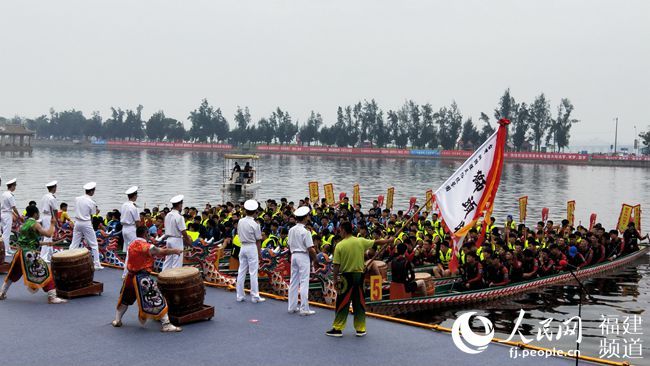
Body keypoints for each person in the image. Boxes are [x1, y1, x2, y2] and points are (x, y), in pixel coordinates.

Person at [325, 221, 393, 337]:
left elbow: (336, 265)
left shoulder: (340, 245)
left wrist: (335, 279)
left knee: (342, 302)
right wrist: (389, 241)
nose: (339, 232)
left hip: (346, 277)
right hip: (359, 276)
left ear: (344, 230)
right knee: (359, 302)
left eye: (340, 230)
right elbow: (377, 242)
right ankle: (360, 329)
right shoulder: (360, 241)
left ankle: (338, 328)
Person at [112, 226, 182, 332]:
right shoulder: (147, 246)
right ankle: (166, 324)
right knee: (157, 300)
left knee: (125, 299)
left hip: (130, 277)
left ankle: (117, 320)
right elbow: (161, 252)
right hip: (142, 279)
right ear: (146, 234)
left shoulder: (131, 244)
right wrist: (175, 251)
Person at [0, 205, 67, 304]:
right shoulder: (35, 224)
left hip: (20, 253)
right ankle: (52, 297)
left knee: (13, 274)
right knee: (45, 272)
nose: (39, 214)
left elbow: (29, 242)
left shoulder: (24, 224)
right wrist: (52, 224)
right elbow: (48, 234)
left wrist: (45, 243)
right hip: (29, 255)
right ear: (35, 214)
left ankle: (2, 293)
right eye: (38, 213)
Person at [287, 206, 318, 315]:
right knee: (304, 282)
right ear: (305, 218)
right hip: (303, 255)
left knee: (294, 281)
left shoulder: (291, 230)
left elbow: (289, 244)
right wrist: (315, 259)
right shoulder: (306, 232)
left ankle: (292, 306)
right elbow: (310, 248)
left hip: (294, 255)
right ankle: (304, 308)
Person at [236, 200, 266, 303]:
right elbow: (258, 240)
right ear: (255, 211)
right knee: (253, 272)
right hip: (252, 247)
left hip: (242, 246)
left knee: (241, 271)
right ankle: (255, 296)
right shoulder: (255, 224)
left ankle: (239, 295)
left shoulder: (240, 221)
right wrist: (259, 253)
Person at [69, 182, 103, 270]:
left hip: (77, 222)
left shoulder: (77, 199)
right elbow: (93, 214)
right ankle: (97, 264)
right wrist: (96, 210)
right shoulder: (91, 202)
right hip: (86, 223)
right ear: (92, 191)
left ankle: (68, 259)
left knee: (74, 244)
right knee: (94, 244)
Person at [163, 195, 191, 270]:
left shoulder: (168, 215)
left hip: (168, 239)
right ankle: (175, 279)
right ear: (180, 205)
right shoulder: (179, 216)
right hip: (177, 240)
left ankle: (163, 276)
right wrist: (189, 242)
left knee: (168, 260)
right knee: (177, 262)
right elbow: (183, 232)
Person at [120, 186, 140, 278]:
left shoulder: (124, 205)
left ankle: (127, 272)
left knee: (129, 250)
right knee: (132, 251)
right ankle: (127, 273)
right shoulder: (133, 207)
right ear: (134, 195)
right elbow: (137, 222)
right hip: (131, 229)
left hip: (124, 229)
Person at [39, 181, 59, 263]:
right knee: (48, 236)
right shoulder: (52, 198)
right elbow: (55, 210)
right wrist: (56, 220)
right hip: (49, 217)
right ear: (54, 188)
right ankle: (43, 256)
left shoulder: (44, 196)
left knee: (48, 236)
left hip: (44, 216)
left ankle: (50, 255)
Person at [1, 178, 22, 256]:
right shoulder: (10, 196)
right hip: (7, 215)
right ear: (12, 186)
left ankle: (7, 249)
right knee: (6, 234)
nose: (15, 187)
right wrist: (19, 216)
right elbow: (14, 207)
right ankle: (6, 251)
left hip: (3, 214)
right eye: (15, 185)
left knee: (5, 233)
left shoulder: (4, 194)